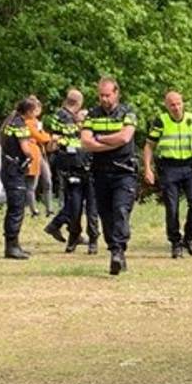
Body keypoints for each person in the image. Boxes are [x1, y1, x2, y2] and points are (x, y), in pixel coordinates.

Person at [143, 91, 192, 258]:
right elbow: (149, 145)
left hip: (191, 168)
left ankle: (189, 237)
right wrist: (148, 168)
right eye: (172, 105)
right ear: (166, 106)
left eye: (178, 103)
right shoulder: (161, 121)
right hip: (169, 169)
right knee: (172, 208)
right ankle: (175, 242)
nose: (176, 107)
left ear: (183, 103)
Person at [80, 77, 138, 275]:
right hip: (100, 172)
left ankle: (118, 251)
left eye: (107, 95)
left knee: (120, 210)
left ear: (116, 93)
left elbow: (125, 137)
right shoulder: (92, 115)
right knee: (106, 215)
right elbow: (85, 142)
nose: (104, 99)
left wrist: (100, 139)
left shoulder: (127, 112)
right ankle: (115, 250)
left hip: (124, 172)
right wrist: (112, 143)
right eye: (101, 95)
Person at [44, 89, 99, 254]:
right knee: (75, 207)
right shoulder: (66, 125)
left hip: (90, 169)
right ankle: (73, 237)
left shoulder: (89, 128)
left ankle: (92, 240)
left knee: (91, 208)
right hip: (72, 170)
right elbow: (53, 145)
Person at [0, 97, 39, 260]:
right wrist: (32, 154)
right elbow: (25, 149)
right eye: (34, 110)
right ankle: (12, 246)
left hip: (7, 167)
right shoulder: (20, 125)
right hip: (15, 170)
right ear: (28, 111)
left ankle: (13, 244)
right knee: (17, 209)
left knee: (13, 208)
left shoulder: (9, 122)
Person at [24, 101, 54, 217]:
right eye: (35, 109)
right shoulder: (28, 123)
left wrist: (45, 136)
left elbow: (43, 135)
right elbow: (40, 137)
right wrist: (47, 137)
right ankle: (33, 210)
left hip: (41, 154)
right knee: (32, 184)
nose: (38, 111)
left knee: (48, 180)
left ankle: (49, 209)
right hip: (33, 155)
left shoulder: (37, 122)